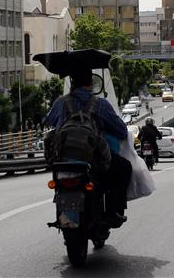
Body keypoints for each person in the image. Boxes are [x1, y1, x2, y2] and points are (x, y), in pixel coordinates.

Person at [43, 66, 130, 228]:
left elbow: (47, 122)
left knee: (58, 179)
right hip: (93, 158)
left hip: (62, 157)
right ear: (91, 83)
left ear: (72, 83)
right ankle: (113, 211)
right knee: (124, 168)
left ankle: (62, 213)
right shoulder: (100, 104)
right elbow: (121, 131)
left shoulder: (61, 102)